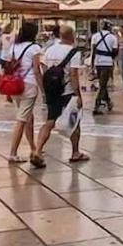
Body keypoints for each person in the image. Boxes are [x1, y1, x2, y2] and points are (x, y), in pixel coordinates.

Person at [31, 24, 88, 168]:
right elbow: (74, 75)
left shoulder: (49, 50)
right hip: (67, 91)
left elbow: (43, 70)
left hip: (52, 91)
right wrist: (78, 94)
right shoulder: (74, 52)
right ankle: (75, 152)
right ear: (71, 36)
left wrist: (46, 89)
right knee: (74, 122)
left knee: (49, 121)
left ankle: (37, 150)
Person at [5, 22, 42, 164]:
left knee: (27, 117)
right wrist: (43, 90)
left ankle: (33, 147)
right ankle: (13, 153)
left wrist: (8, 92)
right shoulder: (34, 48)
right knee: (21, 120)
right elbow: (37, 70)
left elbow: (8, 68)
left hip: (15, 85)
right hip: (29, 85)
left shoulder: (14, 46)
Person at [90, 20, 117, 115]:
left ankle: (108, 102)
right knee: (103, 85)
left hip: (98, 62)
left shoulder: (95, 36)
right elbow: (115, 52)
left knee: (103, 83)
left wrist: (91, 66)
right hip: (108, 63)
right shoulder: (113, 38)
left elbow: (92, 52)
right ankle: (97, 105)